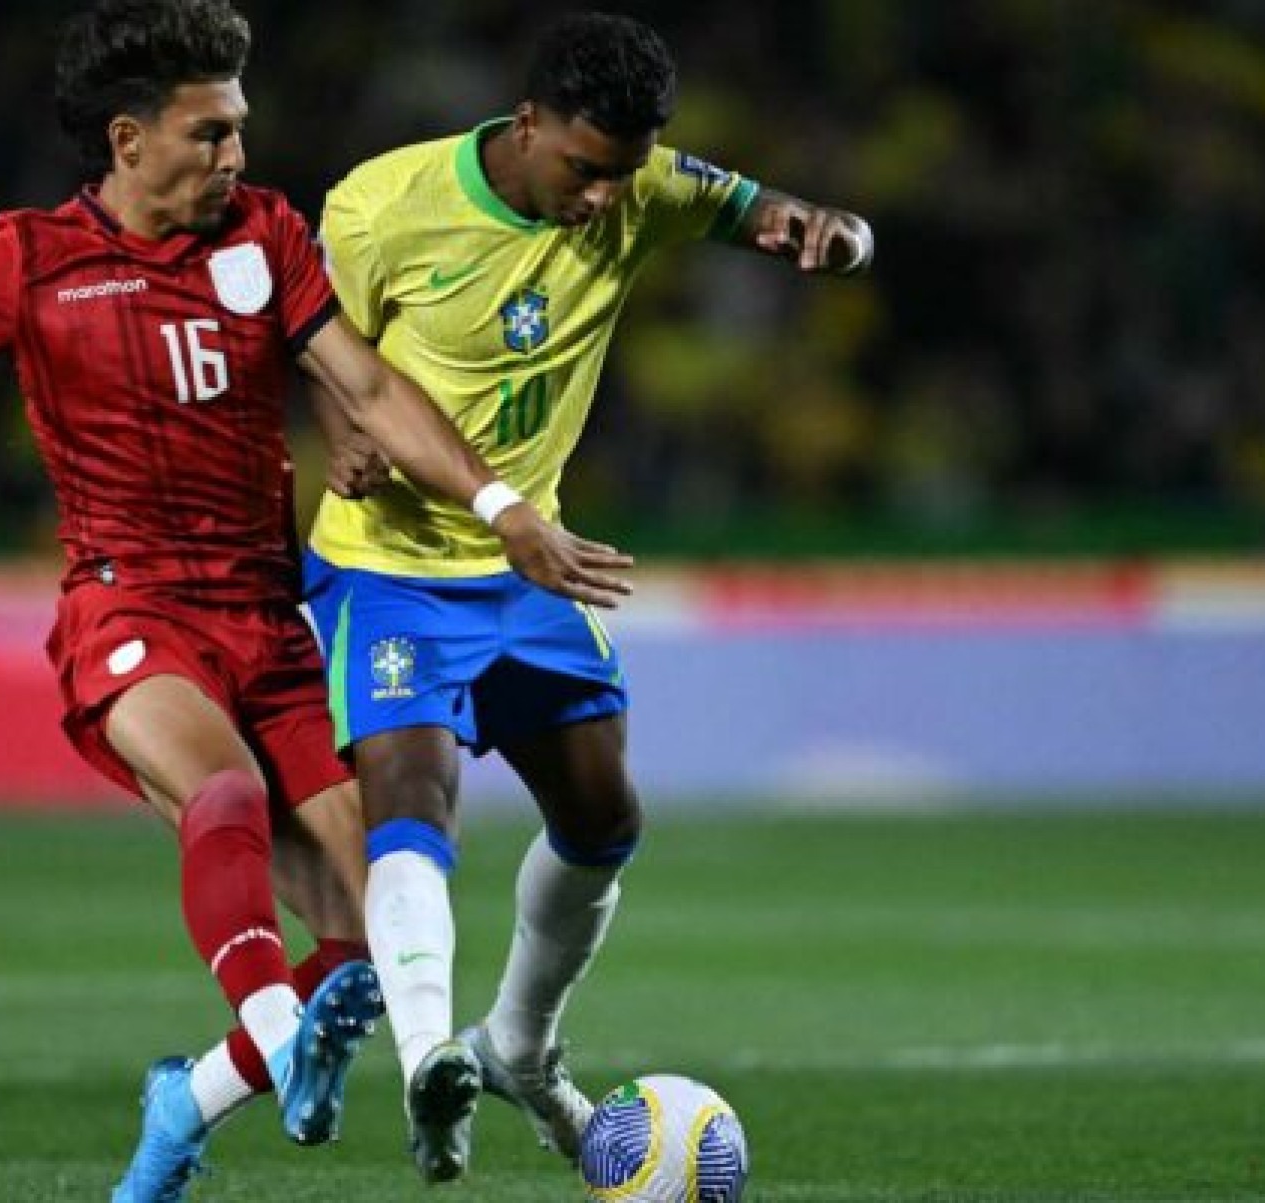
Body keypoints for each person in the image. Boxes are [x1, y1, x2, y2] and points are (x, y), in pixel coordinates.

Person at [0, 2, 632, 1201]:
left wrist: (506, 507)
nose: (237, 157)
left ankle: (185, 1100)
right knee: (227, 788)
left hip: (270, 615)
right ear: (129, 139)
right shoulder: (27, 259)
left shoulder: (264, 235)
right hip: (129, 607)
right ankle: (262, 1014)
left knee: (375, 940)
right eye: (210, 134)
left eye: (240, 129)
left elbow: (368, 386)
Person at [301, 10, 876, 1184]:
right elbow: (321, 351)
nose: (606, 199)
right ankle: (426, 1057)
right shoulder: (381, 204)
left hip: (532, 565)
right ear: (526, 126)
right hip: (389, 564)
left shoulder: (646, 183)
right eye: (584, 170)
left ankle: (516, 1042)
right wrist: (345, 436)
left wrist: (829, 234)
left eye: (624, 175)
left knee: (606, 820)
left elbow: (773, 214)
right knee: (413, 792)